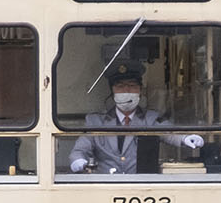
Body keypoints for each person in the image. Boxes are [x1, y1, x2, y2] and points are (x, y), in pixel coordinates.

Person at [69, 60, 204, 175]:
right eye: (120, 87)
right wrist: (78, 161)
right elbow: (79, 151)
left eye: (132, 86)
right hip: (105, 187)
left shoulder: (150, 119)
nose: (126, 91)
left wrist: (185, 138)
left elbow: (169, 133)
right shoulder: (95, 121)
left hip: (141, 186)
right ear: (112, 91)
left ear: (140, 90)